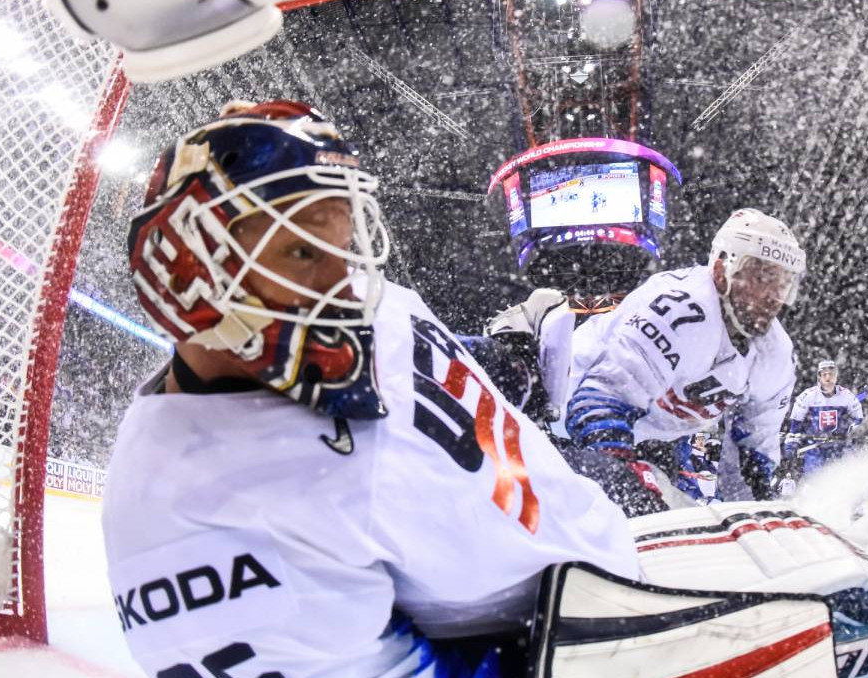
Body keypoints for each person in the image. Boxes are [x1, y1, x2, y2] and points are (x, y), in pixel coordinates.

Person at [102, 101, 641, 678]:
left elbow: (426, 376)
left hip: (600, 541)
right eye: (303, 250)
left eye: (345, 240)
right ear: (187, 270)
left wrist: (509, 363)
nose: (346, 285)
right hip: (579, 635)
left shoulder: (341, 299)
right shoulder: (189, 526)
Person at [559, 208, 804, 504]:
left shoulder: (775, 354)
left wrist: (761, 509)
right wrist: (625, 480)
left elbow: (754, 451)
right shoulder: (681, 312)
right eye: (762, 276)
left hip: (649, 439)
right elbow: (596, 403)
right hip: (565, 420)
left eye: (783, 282)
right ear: (720, 269)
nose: (773, 295)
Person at [784, 359, 864, 477]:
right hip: (815, 448)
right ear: (819, 377)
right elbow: (796, 423)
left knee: (849, 475)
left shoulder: (846, 395)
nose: (828, 378)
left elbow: (858, 419)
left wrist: (853, 429)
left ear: (836, 376)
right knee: (814, 480)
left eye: (831, 374)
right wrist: (792, 441)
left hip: (839, 446)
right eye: (824, 374)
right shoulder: (807, 396)